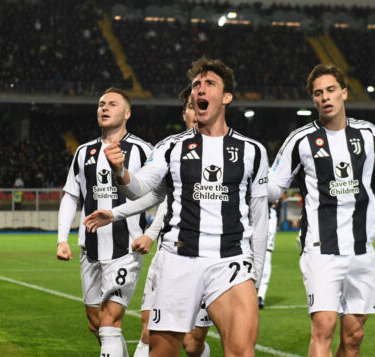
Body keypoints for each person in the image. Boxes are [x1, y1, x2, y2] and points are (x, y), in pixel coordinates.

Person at [266, 63, 375, 356]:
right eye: (319, 93)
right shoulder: (300, 140)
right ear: (314, 100)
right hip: (321, 249)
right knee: (324, 327)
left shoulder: (367, 134)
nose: (325, 97)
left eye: (331, 90)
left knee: (354, 337)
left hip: (362, 251)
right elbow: (273, 188)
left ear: (344, 93)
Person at [100, 57, 269, 356]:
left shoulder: (252, 151)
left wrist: (254, 272)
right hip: (179, 258)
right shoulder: (171, 146)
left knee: (242, 351)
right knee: (162, 351)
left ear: (226, 97)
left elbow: (259, 215)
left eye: (209, 84)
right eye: (196, 85)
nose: (200, 90)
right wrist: (121, 172)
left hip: (230, 261)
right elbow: (138, 188)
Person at [88, 87, 213, 357]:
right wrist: (116, 213)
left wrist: (149, 233)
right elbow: (157, 196)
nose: (196, 112)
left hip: (212, 257)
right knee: (149, 330)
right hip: (170, 254)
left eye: (200, 106)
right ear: (184, 114)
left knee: (192, 344)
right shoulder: (171, 149)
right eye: (191, 107)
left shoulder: (228, 151)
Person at [55, 87, 153, 357]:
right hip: (91, 249)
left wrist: (151, 233)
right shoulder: (83, 152)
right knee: (96, 323)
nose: (104, 108)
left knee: (109, 321)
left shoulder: (143, 150)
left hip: (125, 250)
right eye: (101, 104)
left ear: (127, 113)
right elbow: (70, 195)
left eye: (112, 104)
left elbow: (162, 194)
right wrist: (62, 239)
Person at [257, 201, 279, 309]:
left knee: (266, 254)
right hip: (253, 214)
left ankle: (260, 296)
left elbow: (275, 198)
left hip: (269, 217)